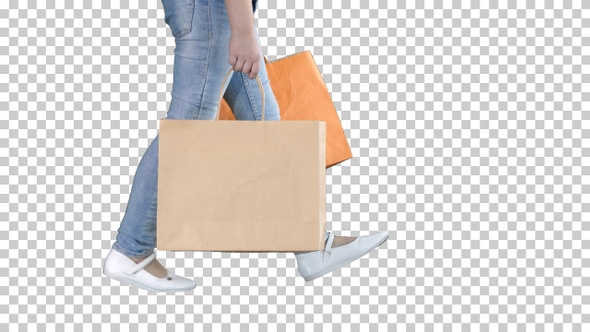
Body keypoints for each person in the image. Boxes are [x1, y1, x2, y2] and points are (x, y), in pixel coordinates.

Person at [102, 0, 389, 292]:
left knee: (263, 120)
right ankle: (131, 249)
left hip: (216, 12)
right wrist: (242, 30)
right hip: (212, 11)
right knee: (188, 127)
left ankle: (310, 245)